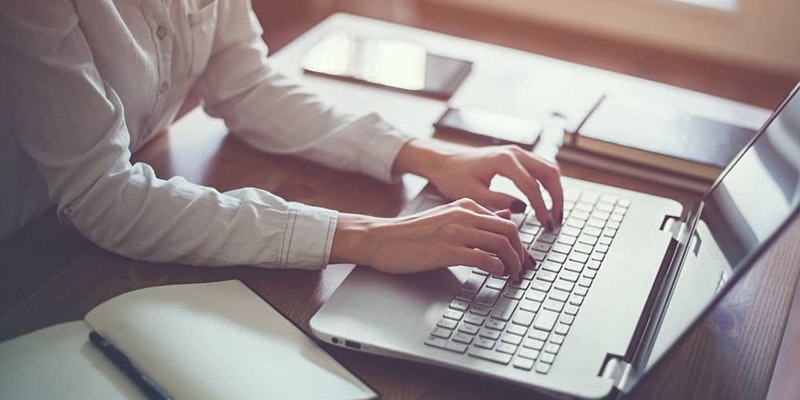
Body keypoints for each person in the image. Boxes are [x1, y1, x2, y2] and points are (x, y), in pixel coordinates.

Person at [0, 1, 562, 282]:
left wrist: (425, 155)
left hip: (101, 235)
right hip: (25, 258)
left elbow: (244, 84)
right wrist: (365, 237)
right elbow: (103, 194)